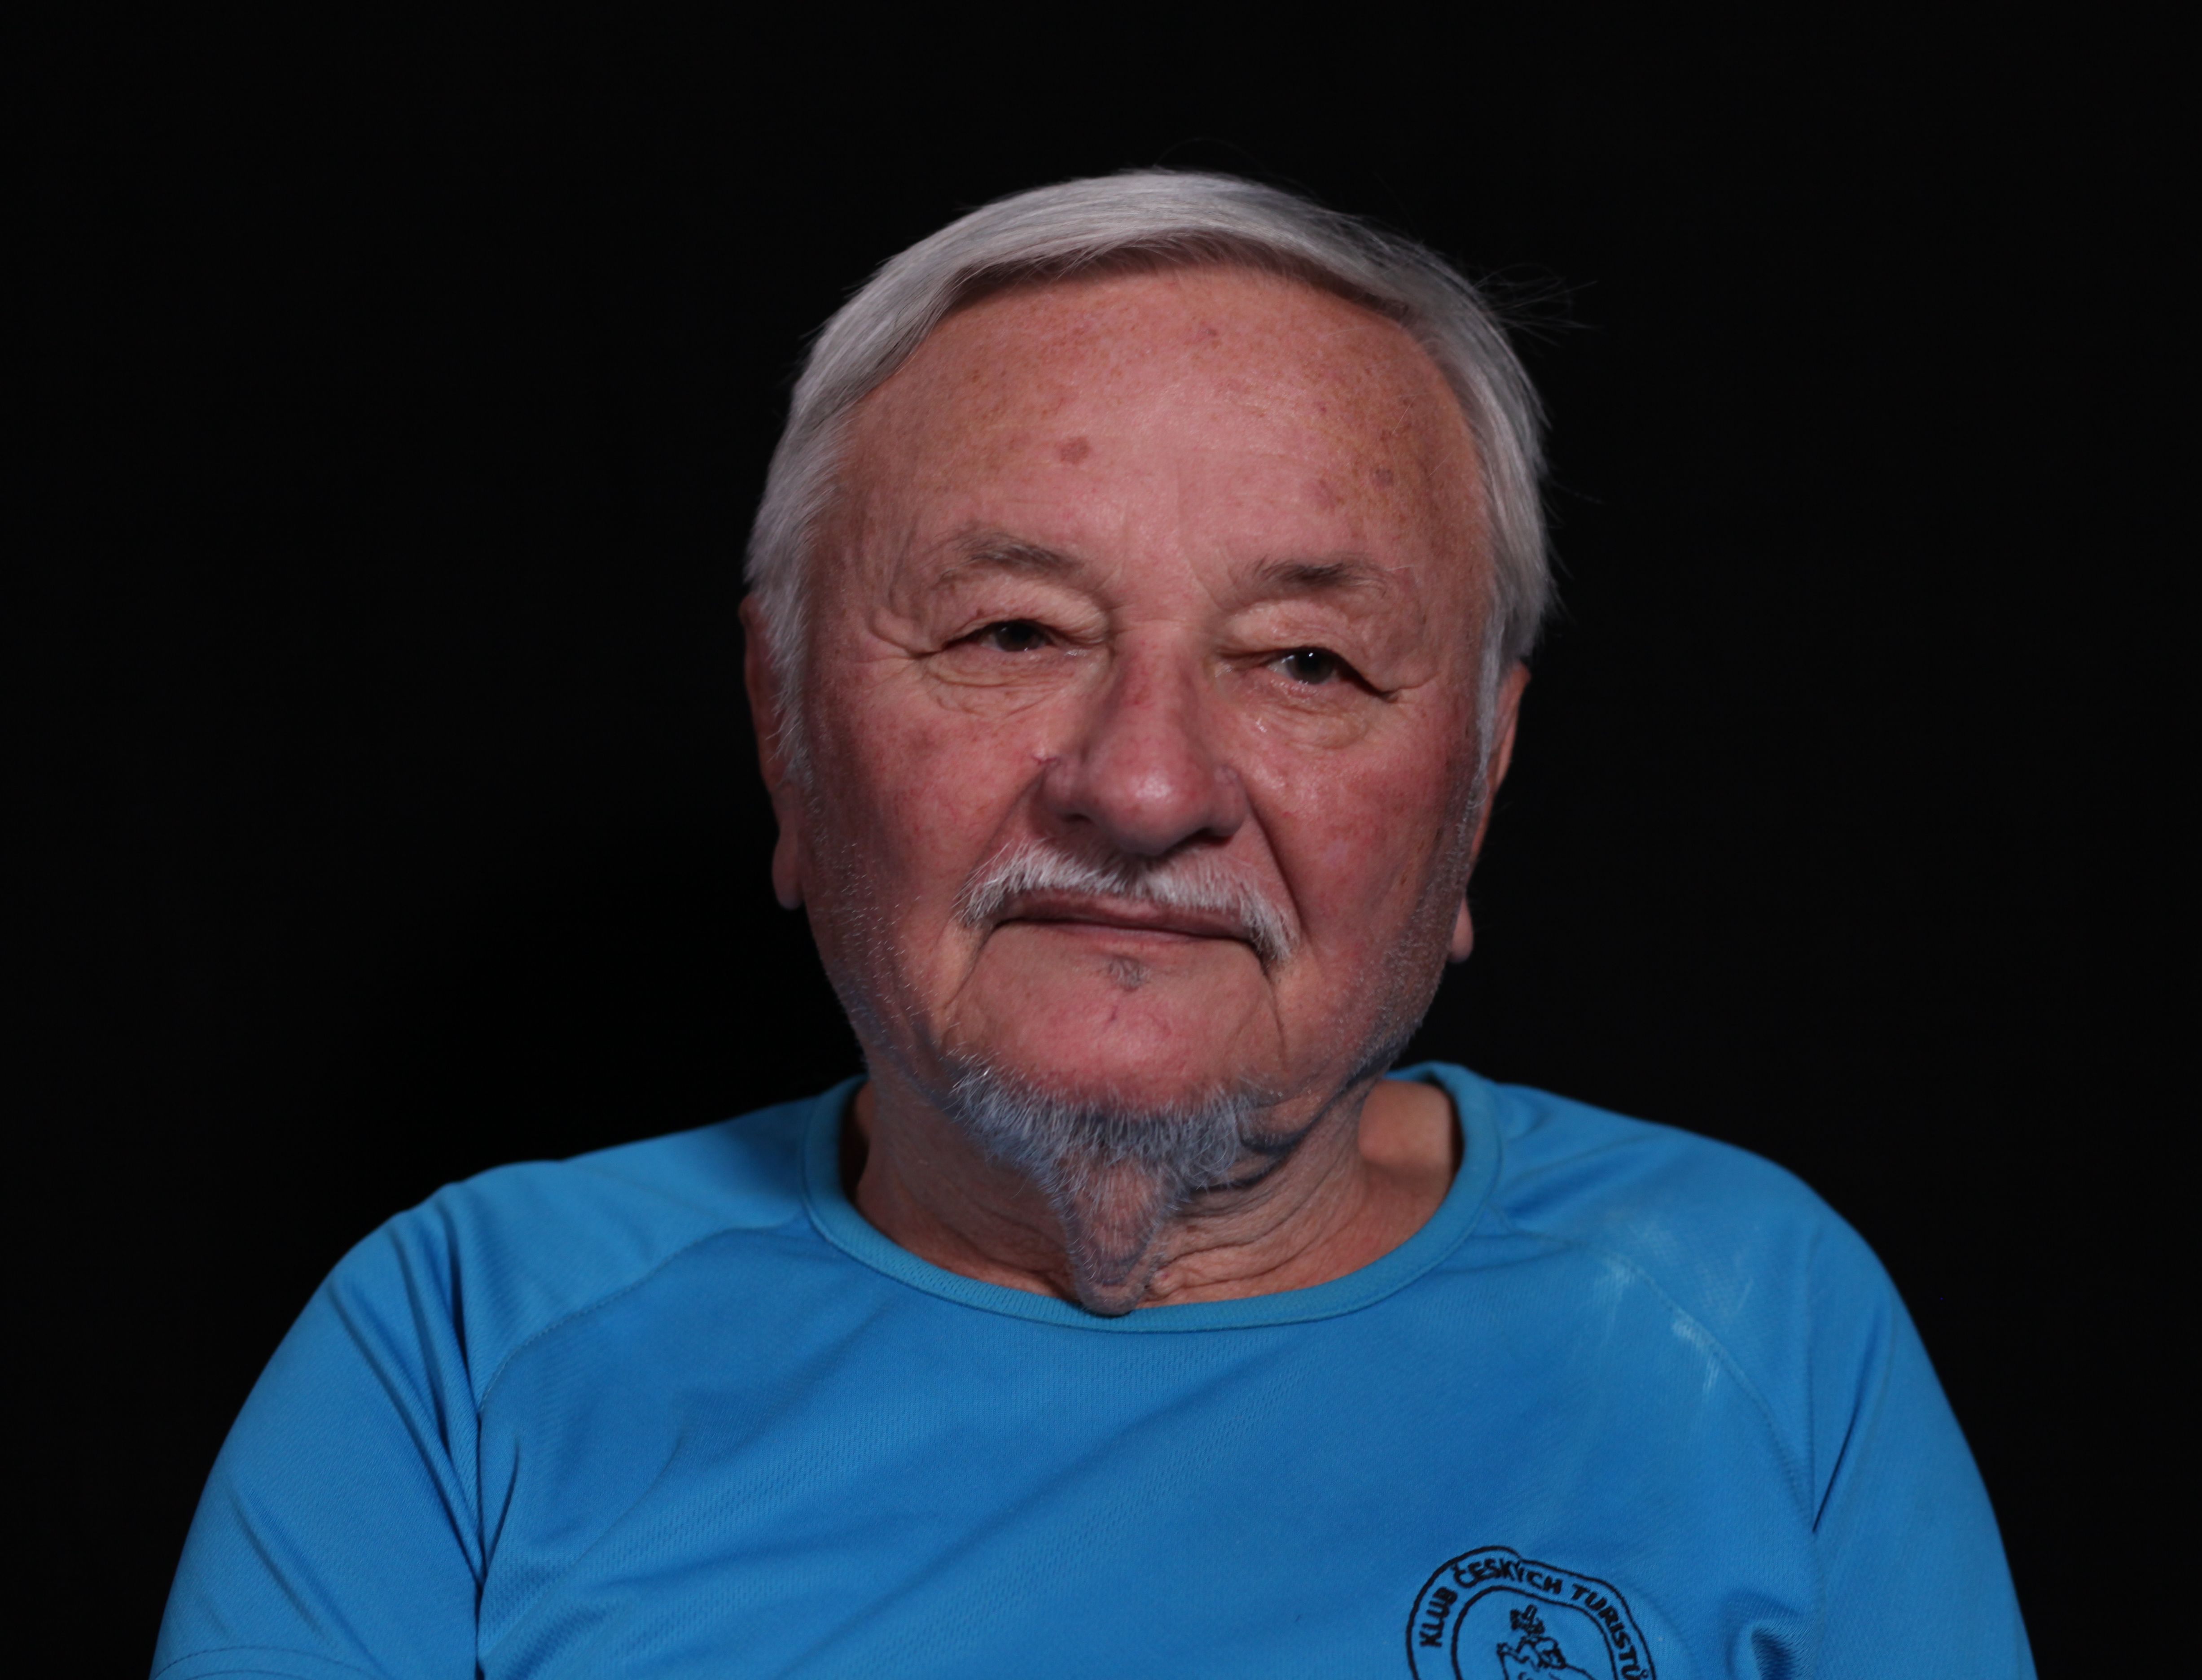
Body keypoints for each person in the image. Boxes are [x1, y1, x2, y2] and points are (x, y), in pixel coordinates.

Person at [156, 171, 2034, 1678]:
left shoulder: (1750, 1316)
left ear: (1478, 782)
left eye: (1305, 661)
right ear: (786, 730)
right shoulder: (455, 1357)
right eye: (1014, 632)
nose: (1142, 787)